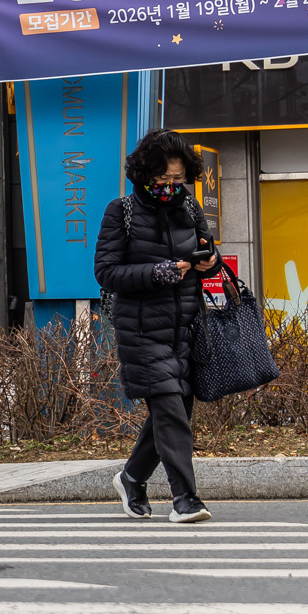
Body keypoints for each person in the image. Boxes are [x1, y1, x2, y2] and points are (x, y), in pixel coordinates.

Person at [97, 128, 218, 525]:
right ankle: (186, 498)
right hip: (141, 329)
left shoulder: (191, 208)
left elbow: (209, 254)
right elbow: (107, 272)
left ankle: (131, 478)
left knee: (173, 412)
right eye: (163, 178)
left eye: (177, 179)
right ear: (145, 173)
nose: (170, 186)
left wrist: (209, 263)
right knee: (170, 409)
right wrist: (160, 272)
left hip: (185, 328)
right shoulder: (122, 211)